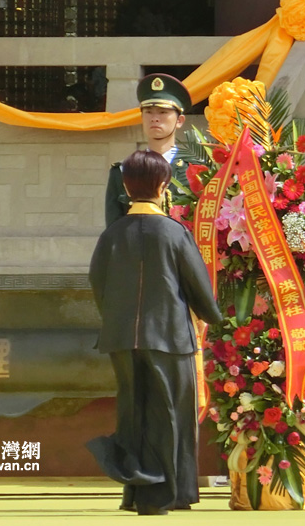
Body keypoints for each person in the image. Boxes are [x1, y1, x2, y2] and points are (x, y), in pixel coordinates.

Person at [87, 149, 223, 516]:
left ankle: (135, 492)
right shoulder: (175, 232)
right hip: (170, 336)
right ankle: (165, 494)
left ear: (126, 186)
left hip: (121, 338)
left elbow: (98, 282)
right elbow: (197, 285)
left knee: (133, 411)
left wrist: (116, 319)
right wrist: (214, 317)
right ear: (163, 186)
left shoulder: (112, 234)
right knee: (170, 414)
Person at [105, 73, 191, 226]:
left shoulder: (195, 168)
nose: (155, 118)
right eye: (149, 112)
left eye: (163, 112)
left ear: (179, 121)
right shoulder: (124, 171)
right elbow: (114, 229)